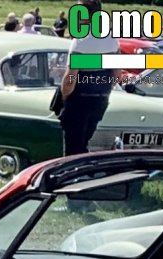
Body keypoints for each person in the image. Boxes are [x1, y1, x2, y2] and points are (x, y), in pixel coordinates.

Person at [58, 0, 115, 154]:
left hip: (79, 99)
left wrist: (64, 97)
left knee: (73, 148)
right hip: (100, 99)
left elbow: (71, 77)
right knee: (84, 143)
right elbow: (116, 74)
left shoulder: (80, 40)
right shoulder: (110, 39)